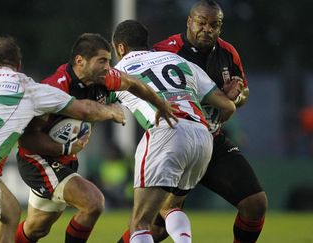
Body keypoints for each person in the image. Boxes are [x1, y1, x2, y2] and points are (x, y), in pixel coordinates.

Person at [0, 36, 127, 243]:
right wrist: (111, 111)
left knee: (11, 214)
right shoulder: (25, 87)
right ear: (19, 65)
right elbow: (83, 109)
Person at [14, 33, 177, 243]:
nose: (108, 66)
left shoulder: (105, 78)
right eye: (102, 60)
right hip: (37, 161)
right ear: (80, 61)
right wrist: (65, 148)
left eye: (109, 60)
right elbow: (26, 140)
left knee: (36, 228)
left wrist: (161, 105)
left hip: (65, 160)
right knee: (93, 202)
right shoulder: (55, 87)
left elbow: (134, 83)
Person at [149, 0, 268, 242]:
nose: (207, 29)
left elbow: (242, 93)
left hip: (212, 140)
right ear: (189, 22)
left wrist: (236, 96)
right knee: (157, 228)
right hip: (174, 141)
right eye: (201, 23)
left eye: (214, 25)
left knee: (255, 204)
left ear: (220, 27)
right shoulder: (164, 51)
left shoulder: (228, 53)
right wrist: (219, 99)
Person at [112, 20, 236, 243]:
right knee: (171, 206)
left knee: (140, 222)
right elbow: (227, 106)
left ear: (120, 48)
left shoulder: (118, 70)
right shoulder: (180, 61)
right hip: (201, 135)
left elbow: (94, 101)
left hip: (166, 132)